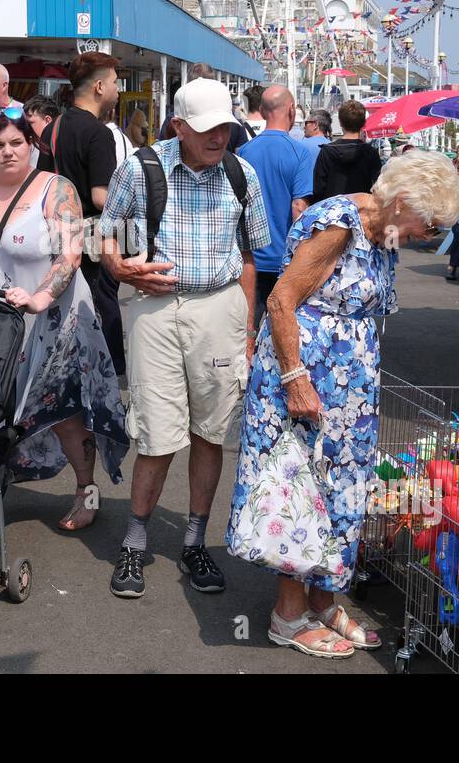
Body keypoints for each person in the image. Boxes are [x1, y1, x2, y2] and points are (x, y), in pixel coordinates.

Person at [229, 151, 459, 657]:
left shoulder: (385, 231)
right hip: (306, 377)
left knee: (342, 491)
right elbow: (280, 300)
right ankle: (287, 618)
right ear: (402, 202)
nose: (433, 235)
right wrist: (295, 380)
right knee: (301, 492)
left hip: (348, 389)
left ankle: (323, 600)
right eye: (430, 223)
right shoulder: (338, 224)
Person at [98, 77, 271, 598]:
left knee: (210, 430)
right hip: (153, 309)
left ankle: (195, 541)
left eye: (226, 126)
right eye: (208, 129)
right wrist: (123, 270)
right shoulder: (141, 167)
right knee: (155, 431)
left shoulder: (243, 174)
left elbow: (249, 256)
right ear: (179, 126)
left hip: (220, 306)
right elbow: (102, 232)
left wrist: (246, 330)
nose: (219, 137)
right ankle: (134, 542)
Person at [0, 115, 128, 532]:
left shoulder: (57, 189)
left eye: (17, 142)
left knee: (63, 412)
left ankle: (86, 487)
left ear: (31, 145)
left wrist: (39, 298)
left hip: (53, 318)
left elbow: (70, 255)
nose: (8, 152)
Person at [36, 51, 125, 378]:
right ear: (99, 87)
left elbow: (44, 185)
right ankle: (111, 373)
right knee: (102, 305)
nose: (118, 90)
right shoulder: (99, 134)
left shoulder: (53, 128)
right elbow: (103, 198)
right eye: (115, 83)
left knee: (66, 305)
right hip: (93, 238)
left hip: (57, 235)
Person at [237, 85, 315, 327]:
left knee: (247, 328)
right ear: (291, 110)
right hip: (283, 260)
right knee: (282, 330)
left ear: (261, 110)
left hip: (248, 259)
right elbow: (298, 208)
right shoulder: (300, 152)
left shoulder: (244, 151)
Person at [310, 99, 382, 205]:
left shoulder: (327, 152)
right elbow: (378, 186)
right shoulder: (371, 153)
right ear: (363, 123)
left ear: (340, 122)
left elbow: (318, 189)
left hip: (333, 213)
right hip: (362, 211)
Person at [301, 108, 332, 176]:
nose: (304, 127)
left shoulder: (300, 146)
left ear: (315, 125)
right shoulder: (332, 146)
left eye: (306, 123)